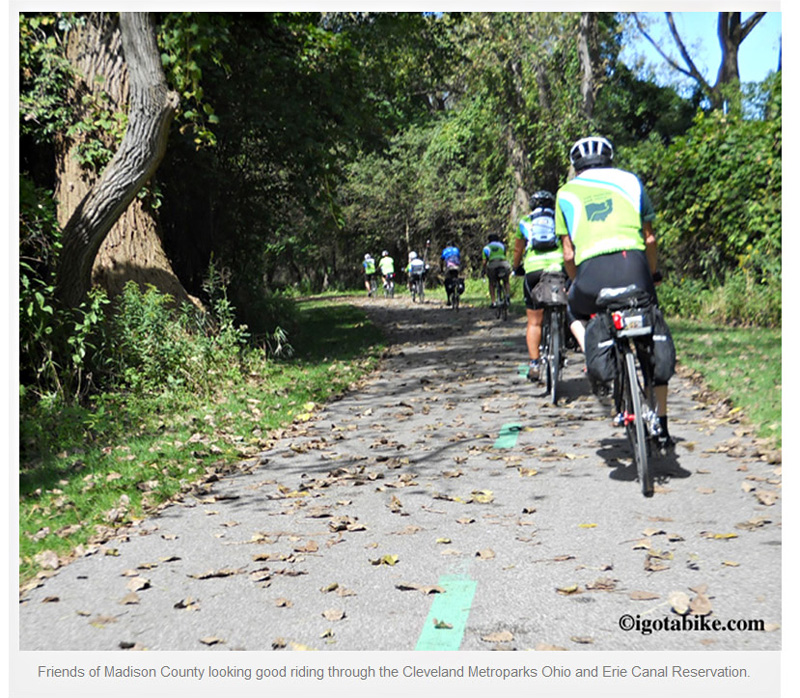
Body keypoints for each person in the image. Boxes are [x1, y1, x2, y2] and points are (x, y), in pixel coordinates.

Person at [555, 135, 674, 450]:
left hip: (592, 275)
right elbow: (649, 239)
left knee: (573, 310)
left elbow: (568, 254)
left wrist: (576, 281)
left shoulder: (566, 193)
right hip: (634, 267)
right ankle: (661, 422)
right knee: (650, 325)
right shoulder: (631, 182)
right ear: (609, 159)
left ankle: (593, 352)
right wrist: (649, 274)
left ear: (576, 165)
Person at [513, 190, 565, 382]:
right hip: (558, 267)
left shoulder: (525, 222)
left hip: (534, 269)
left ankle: (534, 364)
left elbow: (518, 249)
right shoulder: (560, 219)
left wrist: (516, 267)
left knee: (534, 321)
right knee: (568, 303)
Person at [482, 234, 512, 308]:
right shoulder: (502, 246)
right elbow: (504, 255)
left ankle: (493, 302)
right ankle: (507, 296)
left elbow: (484, 261)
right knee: (506, 281)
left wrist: (484, 269)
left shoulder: (486, 248)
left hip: (493, 264)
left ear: (489, 240)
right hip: (504, 263)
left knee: (491, 283)